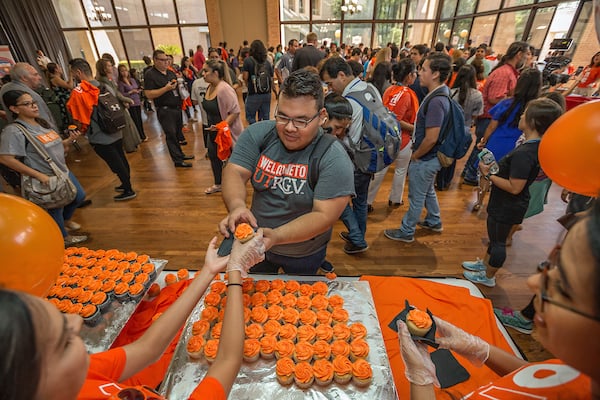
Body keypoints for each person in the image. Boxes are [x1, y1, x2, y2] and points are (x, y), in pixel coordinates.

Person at [0, 233, 266, 400]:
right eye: (65, 339)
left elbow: (148, 348)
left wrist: (208, 272)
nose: (75, 320)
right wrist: (235, 275)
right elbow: (227, 361)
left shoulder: (82, 376)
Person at [399, 199, 600, 399]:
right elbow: (536, 380)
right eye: (554, 262)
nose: (533, 281)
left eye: (563, 287)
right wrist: (480, 349)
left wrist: (421, 378)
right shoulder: (580, 370)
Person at [219, 69, 354, 275]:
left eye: (301, 120)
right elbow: (235, 171)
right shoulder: (259, 134)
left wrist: (277, 236)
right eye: (282, 117)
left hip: (304, 252)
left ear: (322, 117)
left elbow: (324, 215)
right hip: (254, 244)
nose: (290, 128)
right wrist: (237, 206)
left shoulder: (333, 156)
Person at [461, 98, 563, 287]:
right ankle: (484, 265)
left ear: (532, 121)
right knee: (495, 237)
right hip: (506, 203)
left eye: (525, 113)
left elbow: (515, 187)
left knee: (499, 242)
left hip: (508, 204)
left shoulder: (526, 153)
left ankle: (489, 276)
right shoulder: (532, 147)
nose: (521, 116)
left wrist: (488, 174)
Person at [0, 90, 87, 245]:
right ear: (14, 109)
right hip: (45, 176)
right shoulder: (14, 131)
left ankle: (64, 222)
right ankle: (63, 238)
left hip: (61, 170)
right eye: (27, 104)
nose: (34, 106)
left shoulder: (41, 122)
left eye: (34, 102)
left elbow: (53, 145)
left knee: (78, 196)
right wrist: (38, 175)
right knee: (56, 208)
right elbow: (6, 159)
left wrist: (68, 141)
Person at [384, 53, 453, 243]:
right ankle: (434, 219)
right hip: (430, 157)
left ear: (436, 74)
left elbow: (431, 137)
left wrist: (416, 156)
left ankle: (406, 231)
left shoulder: (436, 100)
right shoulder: (439, 95)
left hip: (426, 157)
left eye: (424, 69)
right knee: (427, 190)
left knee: (416, 196)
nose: (419, 73)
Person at [320, 57, 378, 254]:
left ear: (342, 75)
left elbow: (343, 140)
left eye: (329, 82)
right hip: (368, 156)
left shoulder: (349, 103)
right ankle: (358, 236)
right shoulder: (369, 89)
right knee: (360, 200)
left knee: (340, 199)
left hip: (352, 162)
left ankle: (356, 237)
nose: (329, 87)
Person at [472, 68, 542, 211]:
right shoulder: (535, 109)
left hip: (496, 144)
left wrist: (484, 140)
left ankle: (479, 201)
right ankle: (496, 204)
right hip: (518, 147)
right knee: (507, 178)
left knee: (485, 174)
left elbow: (491, 126)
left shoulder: (506, 103)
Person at [462, 41, 531, 186]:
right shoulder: (504, 73)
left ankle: (470, 173)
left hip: (493, 118)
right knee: (483, 148)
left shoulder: (508, 72)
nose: (528, 58)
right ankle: (471, 174)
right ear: (519, 54)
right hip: (490, 118)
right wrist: (513, 100)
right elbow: (494, 97)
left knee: (481, 149)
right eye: (527, 54)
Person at [67, 58, 137, 201]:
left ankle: (128, 189)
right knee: (121, 159)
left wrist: (81, 132)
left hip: (100, 135)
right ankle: (125, 183)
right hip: (115, 129)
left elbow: (80, 119)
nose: (73, 76)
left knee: (115, 162)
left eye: (72, 73)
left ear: (78, 72)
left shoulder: (79, 92)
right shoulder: (104, 85)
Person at [367, 59, 419, 211]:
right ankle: (395, 199)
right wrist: (414, 128)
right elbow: (397, 119)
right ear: (409, 76)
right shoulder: (408, 94)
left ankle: (368, 201)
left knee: (380, 171)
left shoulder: (389, 90)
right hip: (402, 138)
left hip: (385, 137)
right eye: (414, 73)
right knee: (401, 170)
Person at [435, 64, 483, 191]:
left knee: (445, 153)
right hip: (465, 130)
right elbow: (475, 115)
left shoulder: (450, 92)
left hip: (449, 129)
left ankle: (440, 181)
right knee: (455, 157)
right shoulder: (477, 95)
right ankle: (447, 181)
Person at [144, 49, 194, 168]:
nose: (166, 62)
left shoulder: (170, 72)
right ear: (155, 60)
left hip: (176, 107)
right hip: (165, 109)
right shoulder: (150, 74)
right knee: (170, 134)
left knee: (177, 133)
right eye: (162, 60)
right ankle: (177, 160)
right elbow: (149, 94)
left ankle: (180, 154)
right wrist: (165, 89)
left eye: (167, 60)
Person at [200, 60, 243, 195]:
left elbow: (235, 112)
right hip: (213, 130)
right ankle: (218, 183)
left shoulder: (224, 88)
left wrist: (221, 126)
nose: (203, 74)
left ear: (216, 73)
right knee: (213, 156)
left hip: (225, 131)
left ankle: (235, 185)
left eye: (206, 71)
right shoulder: (209, 87)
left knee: (231, 160)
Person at [96, 59, 141, 153]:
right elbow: (115, 94)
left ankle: (134, 143)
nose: (111, 67)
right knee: (125, 126)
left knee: (129, 124)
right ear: (104, 69)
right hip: (115, 107)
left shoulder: (109, 79)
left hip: (119, 105)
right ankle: (130, 146)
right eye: (108, 66)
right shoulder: (104, 81)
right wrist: (126, 99)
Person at [0, 62, 57, 128]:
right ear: (24, 78)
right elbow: (45, 121)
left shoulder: (4, 88)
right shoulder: (30, 96)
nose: (40, 77)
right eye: (35, 75)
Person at [242, 39, 274, 124]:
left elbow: (245, 77)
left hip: (254, 93)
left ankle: (255, 132)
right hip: (267, 93)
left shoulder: (248, 61)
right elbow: (271, 78)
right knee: (266, 116)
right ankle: (265, 134)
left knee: (250, 116)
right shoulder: (267, 62)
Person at [117, 65, 147, 142]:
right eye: (122, 71)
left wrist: (138, 91)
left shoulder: (132, 80)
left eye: (125, 70)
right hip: (130, 102)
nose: (124, 73)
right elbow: (121, 94)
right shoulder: (120, 83)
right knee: (135, 120)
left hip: (137, 101)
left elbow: (136, 87)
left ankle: (142, 135)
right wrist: (131, 92)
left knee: (139, 120)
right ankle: (139, 136)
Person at [46, 62, 74, 133]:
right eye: (59, 67)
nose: (61, 69)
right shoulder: (55, 78)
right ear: (56, 70)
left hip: (63, 99)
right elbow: (70, 86)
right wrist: (70, 75)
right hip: (63, 100)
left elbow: (66, 85)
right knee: (67, 117)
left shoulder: (57, 78)